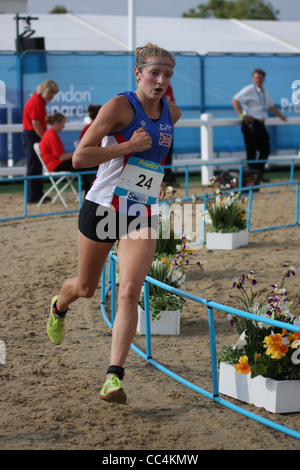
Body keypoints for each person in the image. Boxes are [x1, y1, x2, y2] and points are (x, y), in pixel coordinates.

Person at [46, 43, 181, 404]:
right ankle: (60, 305)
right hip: (104, 208)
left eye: (167, 75)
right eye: (154, 73)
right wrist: (126, 147)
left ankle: (113, 377)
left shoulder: (172, 112)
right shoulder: (120, 106)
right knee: (87, 288)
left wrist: (156, 178)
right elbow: (79, 157)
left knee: (129, 290)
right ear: (138, 74)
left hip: (140, 212)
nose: (161, 81)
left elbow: (153, 159)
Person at [232, 68, 287, 182]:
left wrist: (281, 116)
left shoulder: (265, 92)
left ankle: (259, 174)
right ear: (253, 78)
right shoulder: (249, 89)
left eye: (260, 78)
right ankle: (251, 177)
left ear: (264, 79)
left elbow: (271, 106)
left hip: (260, 124)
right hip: (250, 123)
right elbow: (235, 100)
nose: (258, 80)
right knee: (251, 150)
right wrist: (242, 116)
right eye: (256, 78)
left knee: (265, 149)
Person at [40, 112, 96, 195]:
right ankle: (88, 192)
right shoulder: (52, 136)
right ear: (56, 123)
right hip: (56, 165)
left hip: (54, 164)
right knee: (87, 166)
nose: (63, 126)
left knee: (86, 165)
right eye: (63, 123)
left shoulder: (50, 134)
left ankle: (87, 190)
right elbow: (61, 157)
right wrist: (76, 153)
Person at [22, 79, 59, 203]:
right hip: (32, 135)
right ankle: (33, 196)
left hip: (32, 134)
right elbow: (35, 123)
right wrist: (45, 139)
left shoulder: (38, 100)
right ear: (46, 91)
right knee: (33, 166)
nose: (52, 96)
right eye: (51, 93)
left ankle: (37, 194)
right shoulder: (36, 101)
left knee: (37, 165)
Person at [162, 85, 178, 187]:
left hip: (166, 125)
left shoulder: (168, 88)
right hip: (158, 124)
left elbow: (172, 104)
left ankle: (167, 177)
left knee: (167, 151)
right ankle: (165, 177)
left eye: (167, 75)